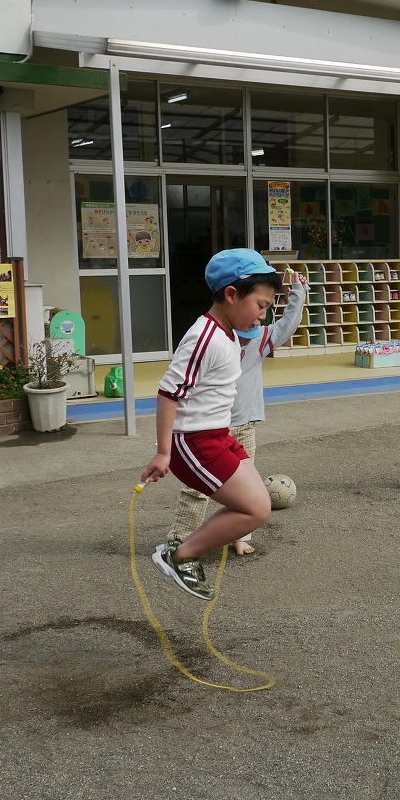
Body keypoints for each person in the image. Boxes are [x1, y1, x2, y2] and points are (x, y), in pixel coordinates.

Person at [140, 249, 281, 600]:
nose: (263, 316)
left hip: (220, 434)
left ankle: (183, 549)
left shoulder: (229, 334)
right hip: (196, 442)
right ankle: (180, 554)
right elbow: (168, 392)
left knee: (257, 501)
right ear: (231, 295)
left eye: (268, 308)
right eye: (261, 306)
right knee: (256, 508)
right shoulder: (205, 337)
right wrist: (162, 453)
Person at [166, 267, 308, 556]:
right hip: (207, 431)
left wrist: (298, 293)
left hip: (242, 425)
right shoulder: (213, 338)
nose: (245, 335)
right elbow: (172, 389)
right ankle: (179, 539)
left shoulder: (260, 340)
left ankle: (239, 536)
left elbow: (288, 323)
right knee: (197, 489)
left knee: (247, 486)